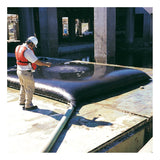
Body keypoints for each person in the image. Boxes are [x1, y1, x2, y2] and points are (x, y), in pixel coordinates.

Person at [15, 36, 52, 110]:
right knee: (29, 88)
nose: (34, 47)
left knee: (23, 86)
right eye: (34, 45)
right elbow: (38, 62)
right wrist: (46, 64)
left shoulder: (18, 47)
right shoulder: (27, 51)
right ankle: (28, 105)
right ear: (31, 43)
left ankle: (21, 101)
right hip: (26, 72)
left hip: (19, 70)